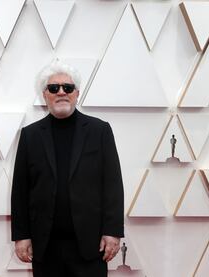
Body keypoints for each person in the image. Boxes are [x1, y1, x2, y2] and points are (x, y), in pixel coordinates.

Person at [11, 61, 124, 277]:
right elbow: (20, 190)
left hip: (90, 247)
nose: (61, 92)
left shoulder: (100, 131)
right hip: (45, 246)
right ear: (45, 95)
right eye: (54, 88)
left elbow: (112, 184)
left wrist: (113, 231)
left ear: (77, 93)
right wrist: (21, 235)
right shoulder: (29, 136)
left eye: (67, 87)